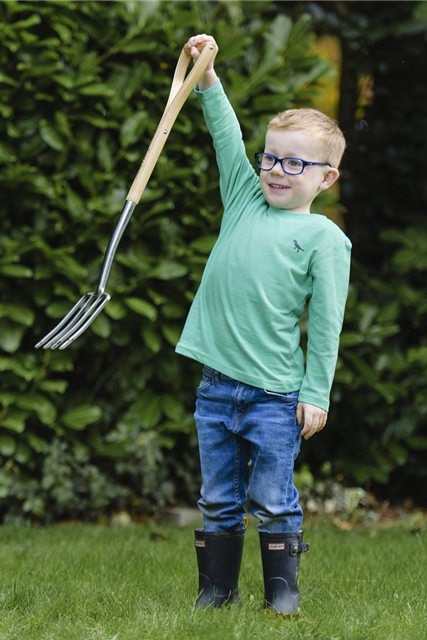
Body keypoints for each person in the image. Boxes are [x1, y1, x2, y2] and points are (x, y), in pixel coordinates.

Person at [175, 34, 352, 615]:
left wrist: (316, 393)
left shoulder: (326, 238)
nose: (277, 171)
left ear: (325, 178)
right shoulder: (245, 198)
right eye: (271, 157)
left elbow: (326, 323)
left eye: (295, 163)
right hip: (215, 386)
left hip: (275, 394)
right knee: (218, 498)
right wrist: (207, 77)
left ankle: (283, 592)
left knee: (273, 499)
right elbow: (227, 138)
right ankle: (216, 591)